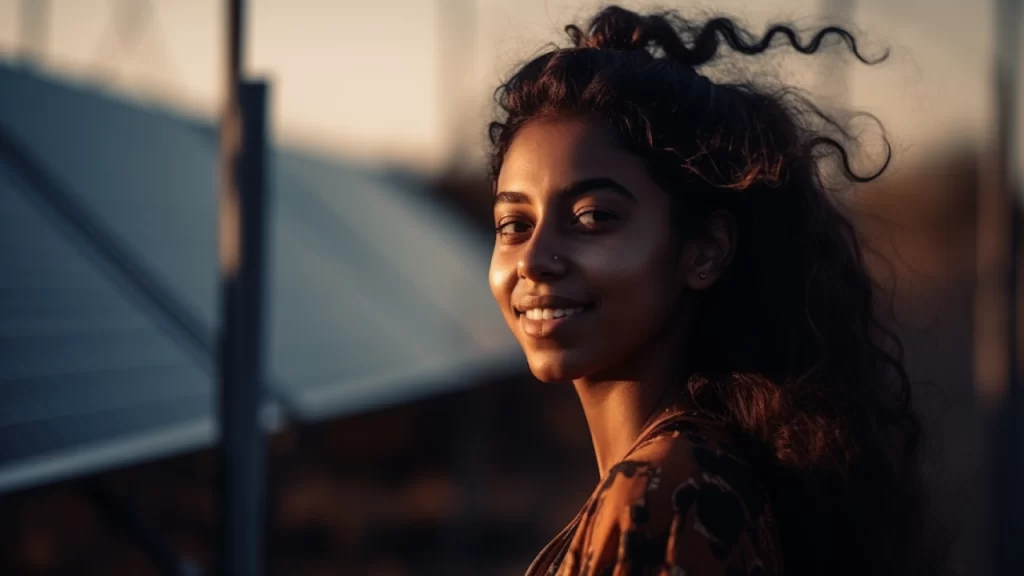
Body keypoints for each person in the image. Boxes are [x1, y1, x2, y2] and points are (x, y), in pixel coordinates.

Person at [487, 6, 938, 576]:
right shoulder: (697, 474)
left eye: (594, 217)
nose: (533, 258)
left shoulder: (663, 496)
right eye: (513, 225)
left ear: (704, 251)